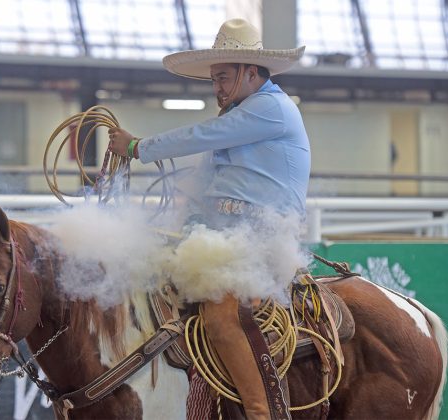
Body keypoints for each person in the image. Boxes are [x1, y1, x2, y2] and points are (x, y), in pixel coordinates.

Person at [109, 18, 310, 419]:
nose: (216, 87)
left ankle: (261, 411)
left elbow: (199, 136)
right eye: (214, 79)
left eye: (223, 77)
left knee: (221, 311)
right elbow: (202, 184)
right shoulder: (242, 117)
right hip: (226, 238)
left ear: (251, 72)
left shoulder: (271, 107)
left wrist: (137, 147)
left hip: (262, 240)